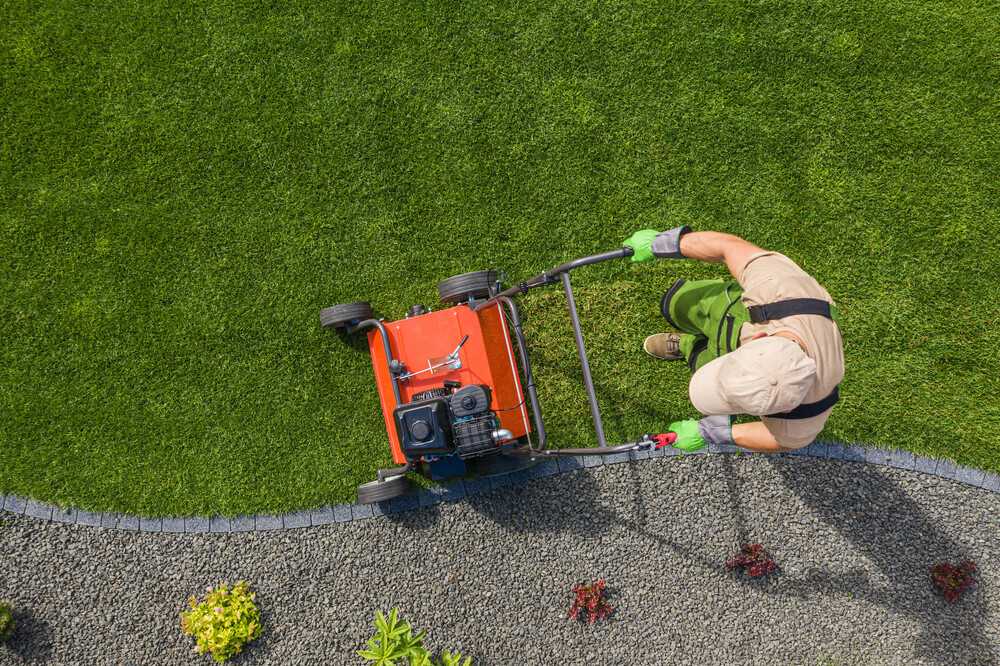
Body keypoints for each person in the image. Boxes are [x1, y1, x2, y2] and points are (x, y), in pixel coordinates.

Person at [622, 227, 844, 454]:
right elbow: (729, 246)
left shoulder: (806, 414)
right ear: (757, 337)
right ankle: (687, 317)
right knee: (677, 304)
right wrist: (665, 244)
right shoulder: (780, 287)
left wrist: (712, 433)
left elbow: (781, 440)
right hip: (744, 311)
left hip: (753, 333)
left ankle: (688, 346)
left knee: (702, 360)